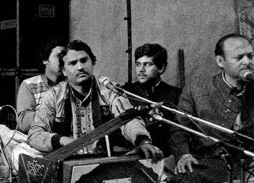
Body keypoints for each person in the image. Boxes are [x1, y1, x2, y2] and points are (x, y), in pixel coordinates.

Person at [24, 40, 163, 161]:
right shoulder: (53, 96)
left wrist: (143, 141)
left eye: (84, 60)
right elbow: (35, 134)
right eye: (73, 63)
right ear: (64, 71)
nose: (80, 67)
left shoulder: (109, 90)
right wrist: (62, 140)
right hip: (65, 161)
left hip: (104, 159)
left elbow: (129, 119)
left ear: (93, 63)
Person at [166, 34, 254, 183]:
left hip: (243, 161)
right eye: (239, 57)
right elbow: (178, 129)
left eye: (250, 56)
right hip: (203, 158)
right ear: (220, 62)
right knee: (177, 179)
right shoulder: (197, 88)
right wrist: (183, 154)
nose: (247, 62)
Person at [121, 43, 181, 156]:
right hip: (133, 155)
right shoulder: (126, 92)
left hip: (164, 155)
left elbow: (177, 132)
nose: (141, 70)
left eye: (147, 64)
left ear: (161, 68)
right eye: (138, 64)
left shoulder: (175, 94)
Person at [15, 39, 65, 133]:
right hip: (38, 139)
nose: (63, 60)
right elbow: (23, 123)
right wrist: (51, 111)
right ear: (45, 60)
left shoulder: (70, 84)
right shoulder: (29, 85)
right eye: (59, 56)